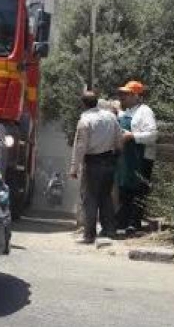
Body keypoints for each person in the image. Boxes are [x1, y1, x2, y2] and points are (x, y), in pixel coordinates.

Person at [69, 90, 123, 244]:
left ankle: (89, 235)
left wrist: (74, 168)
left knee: (90, 198)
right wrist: (117, 156)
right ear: (97, 101)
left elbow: (80, 146)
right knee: (106, 196)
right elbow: (119, 140)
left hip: (93, 163)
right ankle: (110, 230)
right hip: (110, 161)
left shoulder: (85, 121)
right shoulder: (111, 117)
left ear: (83, 104)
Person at [116, 80, 158, 233]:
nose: (122, 97)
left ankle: (134, 223)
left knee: (138, 191)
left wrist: (132, 136)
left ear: (137, 96)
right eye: (122, 94)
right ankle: (123, 221)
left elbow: (153, 135)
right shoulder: (126, 112)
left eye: (126, 94)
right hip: (127, 159)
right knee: (125, 189)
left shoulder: (145, 111)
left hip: (142, 159)